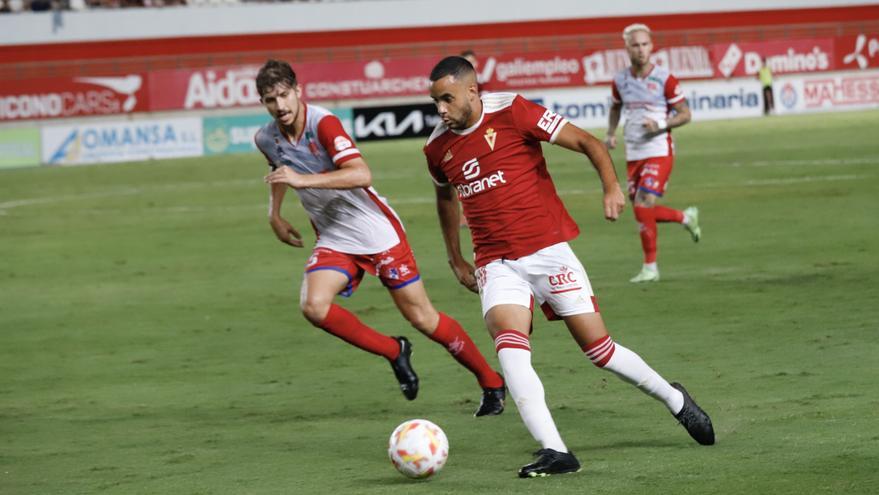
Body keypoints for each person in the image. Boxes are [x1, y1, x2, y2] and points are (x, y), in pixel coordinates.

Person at [423, 56, 715, 478]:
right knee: (510, 349)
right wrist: (455, 256)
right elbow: (445, 197)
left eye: (447, 100)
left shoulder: (513, 110)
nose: (441, 111)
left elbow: (588, 143)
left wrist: (612, 187)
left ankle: (675, 400)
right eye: (435, 102)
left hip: (548, 249)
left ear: (472, 91)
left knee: (600, 350)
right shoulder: (437, 148)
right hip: (496, 261)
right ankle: (556, 450)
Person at [255, 59, 505, 416]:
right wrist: (275, 213)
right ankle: (394, 351)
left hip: (375, 231)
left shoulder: (323, 123)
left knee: (422, 318)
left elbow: (360, 173)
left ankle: (491, 382)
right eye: (269, 100)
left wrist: (302, 180)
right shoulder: (265, 137)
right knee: (313, 306)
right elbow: (278, 169)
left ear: (298, 91)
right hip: (334, 235)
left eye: (283, 95)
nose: (279, 106)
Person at [605, 23, 701, 283]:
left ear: (652, 46)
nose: (641, 50)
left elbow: (685, 114)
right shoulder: (620, 80)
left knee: (644, 202)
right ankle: (685, 217)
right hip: (634, 152)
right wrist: (611, 133)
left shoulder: (665, 78)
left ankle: (651, 268)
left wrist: (660, 125)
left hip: (659, 149)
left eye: (645, 44)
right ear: (627, 48)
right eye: (635, 45)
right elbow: (615, 108)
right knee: (641, 210)